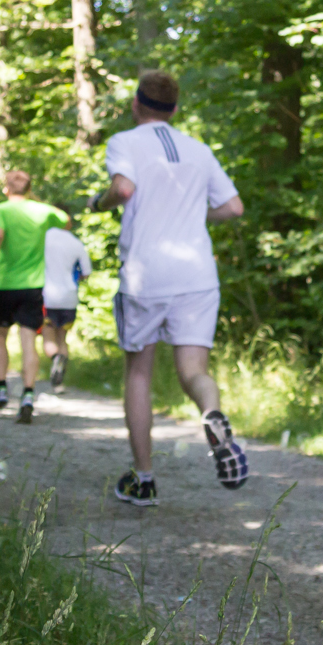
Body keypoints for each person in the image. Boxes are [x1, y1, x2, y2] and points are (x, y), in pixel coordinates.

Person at [88, 70, 249, 506]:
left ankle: (144, 479)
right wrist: (197, 217)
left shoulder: (125, 142)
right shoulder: (198, 150)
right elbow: (232, 207)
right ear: (175, 109)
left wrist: (99, 204)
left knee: (139, 373)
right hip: (196, 275)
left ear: (136, 104)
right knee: (194, 371)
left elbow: (122, 188)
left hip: (146, 275)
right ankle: (213, 416)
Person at [0, 170, 64, 423]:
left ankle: (1, 389)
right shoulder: (44, 211)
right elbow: (65, 221)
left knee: (0, 337)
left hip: (3, 284)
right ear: (30, 189)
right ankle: (28, 394)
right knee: (28, 340)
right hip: (33, 285)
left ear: (6, 189)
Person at [40, 210, 92, 394]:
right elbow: (86, 272)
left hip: (46, 296)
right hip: (69, 297)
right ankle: (59, 382)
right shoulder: (76, 243)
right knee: (63, 338)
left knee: (48, 336)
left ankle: (55, 358)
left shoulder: (41, 238)